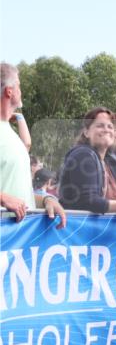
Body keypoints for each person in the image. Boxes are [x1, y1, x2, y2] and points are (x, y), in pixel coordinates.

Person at [0, 62, 67, 228]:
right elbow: (8, 197)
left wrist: (46, 199)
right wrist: (2, 197)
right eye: (19, 86)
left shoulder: (10, 134)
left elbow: (20, 195)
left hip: (16, 245)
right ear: (10, 91)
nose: (21, 91)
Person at [58, 107, 116, 219]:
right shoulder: (83, 154)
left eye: (110, 127)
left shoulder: (113, 162)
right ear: (86, 132)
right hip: (76, 229)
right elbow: (88, 201)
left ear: (115, 133)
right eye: (100, 126)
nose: (106, 130)